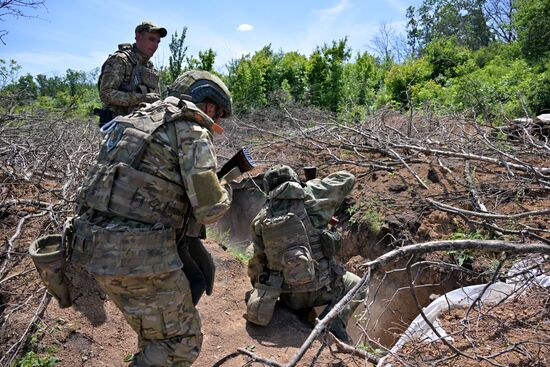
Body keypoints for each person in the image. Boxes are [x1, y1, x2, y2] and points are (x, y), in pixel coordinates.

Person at [70, 70, 233, 366]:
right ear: (209, 105)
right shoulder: (191, 130)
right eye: (219, 114)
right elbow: (210, 210)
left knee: (162, 326)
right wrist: (226, 189)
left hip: (89, 245)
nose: (217, 121)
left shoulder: (132, 121)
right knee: (180, 343)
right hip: (136, 256)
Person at [245, 165, 365, 343]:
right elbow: (347, 178)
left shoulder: (261, 219)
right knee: (359, 285)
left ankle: (304, 314)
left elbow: (256, 264)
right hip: (325, 289)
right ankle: (333, 321)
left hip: (289, 297)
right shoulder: (313, 197)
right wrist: (312, 185)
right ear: (294, 180)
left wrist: (261, 288)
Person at [96, 21, 167, 125]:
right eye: (151, 39)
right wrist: (141, 99)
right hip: (118, 125)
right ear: (138, 36)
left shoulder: (150, 67)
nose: (155, 45)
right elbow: (106, 93)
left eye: (158, 42)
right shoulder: (120, 60)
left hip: (143, 125)